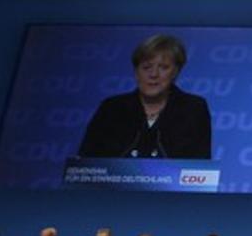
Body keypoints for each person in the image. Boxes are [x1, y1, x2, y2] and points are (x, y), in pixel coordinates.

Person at [77, 34, 212, 159]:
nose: (153, 74)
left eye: (163, 67)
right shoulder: (112, 108)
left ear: (176, 72)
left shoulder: (193, 108)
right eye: (146, 67)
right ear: (136, 72)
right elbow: (85, 164)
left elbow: (199, 167)